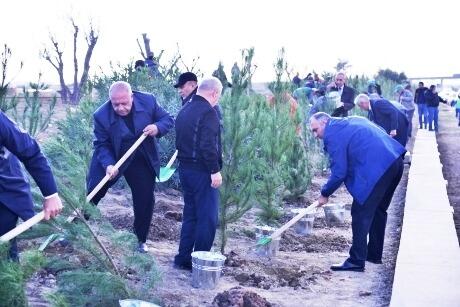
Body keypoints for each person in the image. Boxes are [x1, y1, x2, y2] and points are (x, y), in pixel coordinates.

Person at [309, 112, 406, 272]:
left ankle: (356, 261)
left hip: (380, 168)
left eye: (315, 130)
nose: (315, 135)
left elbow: (340, 172)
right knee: (378, 210)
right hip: (395, 162)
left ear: (325, 121)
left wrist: (325, 193)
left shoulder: (333, 135)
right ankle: (374, 254)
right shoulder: (351, 121)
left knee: (360, 213)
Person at [86, 81, 174, 253]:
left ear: (131, 97)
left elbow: (167, 119)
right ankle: (75, 228)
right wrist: (108, 164)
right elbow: (101, 144)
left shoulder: (148, 101)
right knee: (94, 192)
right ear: (110, 100)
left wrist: (157, 127)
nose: (120, 108)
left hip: (140, 155)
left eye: (124, 103)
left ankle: (140, 240)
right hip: (112, 155)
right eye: (115, 104)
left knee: (144, 198)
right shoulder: (101, 115)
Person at [173, 77, 223, 271]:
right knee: (208, 218)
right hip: (203, 171)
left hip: (185, 170)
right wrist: (214, 171)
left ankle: (183, 258)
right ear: (214, 93)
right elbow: (208, 146)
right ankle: (200, 262)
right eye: (218, 95)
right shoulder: (209, 113)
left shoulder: (185, 109)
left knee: (191, 216)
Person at [0, 111, 63, 260]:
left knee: (4, 254)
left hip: (4, 192)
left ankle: (9, 280)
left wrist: (51, 195)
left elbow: (31, 152)